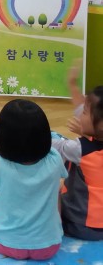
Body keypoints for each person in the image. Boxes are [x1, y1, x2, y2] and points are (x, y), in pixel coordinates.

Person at [0, 99, 67, 260]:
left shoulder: (0, 165)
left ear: (2, 139)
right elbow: (29, 137)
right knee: (56, 188)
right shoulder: (55, 158)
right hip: (49, 246)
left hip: (8, 244)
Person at [51, 64, 103, 240]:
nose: (80, 115)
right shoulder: (88, 142)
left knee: (51, 187)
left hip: (79, 225)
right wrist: (72, 84)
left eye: (85, 113)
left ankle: (53, 229)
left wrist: (17, 131)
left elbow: (48, 145)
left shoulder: (78, 149)